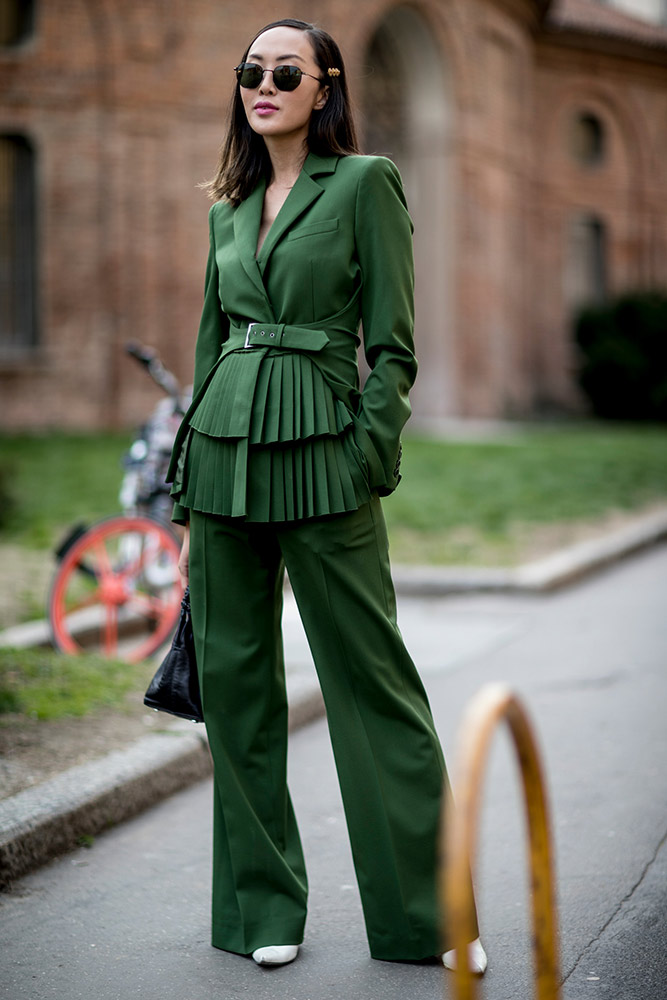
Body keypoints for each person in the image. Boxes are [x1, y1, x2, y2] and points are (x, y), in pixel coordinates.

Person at [167, 17, 487, 974]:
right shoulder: (226, 206)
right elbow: (210, 343)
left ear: (324, 87)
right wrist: (185, 479)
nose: (262, 84)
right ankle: (262, 907)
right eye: (250, 72)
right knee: (235, 691)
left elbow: (391, 347)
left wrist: (367, 455)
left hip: (325, 454)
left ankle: (431, 915)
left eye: (284, 71)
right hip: (223, 456)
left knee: (371, 683)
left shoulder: (364, 184)